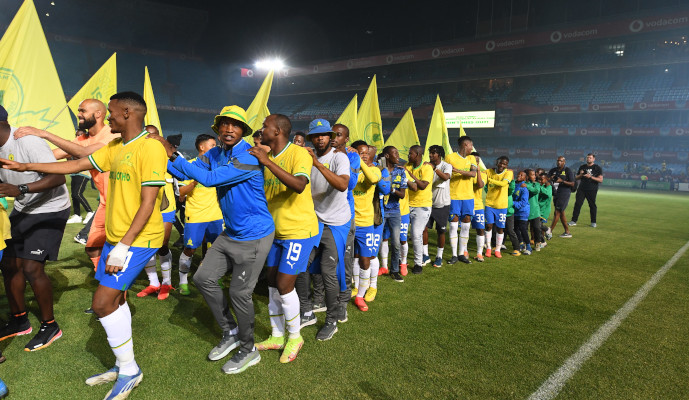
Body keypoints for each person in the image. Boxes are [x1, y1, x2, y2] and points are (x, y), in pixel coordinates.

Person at [2, 92, 168, 399]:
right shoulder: (116, 146)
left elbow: (148, 203)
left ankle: (130, 370)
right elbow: (76, 164)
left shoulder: (151, 148)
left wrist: (123, 247)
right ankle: (123, 364)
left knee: (102, 304)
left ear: (129, 113)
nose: (109, 117)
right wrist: (26, 169)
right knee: (115, 301)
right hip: (117, 237)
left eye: (113, 112)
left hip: (139, 238)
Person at [157, 105, 274, 374]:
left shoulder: (250, 155)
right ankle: (231, 332)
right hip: (231, 232)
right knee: (202, 278)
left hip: (254, 235)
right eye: (224, 124)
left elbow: (208, 180)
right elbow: (186, 172)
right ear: (217, 128)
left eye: (235, 125)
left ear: (243, 130)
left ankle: (249, 349)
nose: (229, 129)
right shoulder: (214, 153)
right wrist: (160, 155)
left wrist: (172, 152)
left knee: (239, 294)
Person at [13, 99, 118, 299]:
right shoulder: (82, 139)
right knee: (93, 248)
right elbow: (51, 156)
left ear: (98, 114)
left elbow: (83, 153)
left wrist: (43, 133)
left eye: (82, 111)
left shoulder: (112, 135)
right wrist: (15, 160)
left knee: (118, 251)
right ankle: (107, 291)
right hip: (106, 203)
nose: (78, 114)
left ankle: (115, 294)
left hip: (122, 203)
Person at [0, 105, 71, 352]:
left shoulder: (27, 141)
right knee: (8, 264)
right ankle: (19, 320)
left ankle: (50, 326)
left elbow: (58, 177)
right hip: (24, 208)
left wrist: (19, 189)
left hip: (51, 207)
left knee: (31, 267)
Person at [249, 114, 319, 363]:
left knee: (284, 284)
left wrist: (267, 162)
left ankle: (295, 336)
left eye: (265, 126)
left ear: (277, 130)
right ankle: (277, 335)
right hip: (274, 232)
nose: (261, 130)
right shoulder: (265, 157)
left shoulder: (298, 154)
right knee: (270, 282)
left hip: (298, 231)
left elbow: (299, 185)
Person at [295, 119, 350, 341]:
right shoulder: (305, 157)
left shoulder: (339, 158)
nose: (320, 139)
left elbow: (342, 185)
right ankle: (307, 311)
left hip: (336, 222)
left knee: (328, 272)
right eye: (316, 135)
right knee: (299, 265)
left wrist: (317, 164)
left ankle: (332, 320)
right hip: (314, 220)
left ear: (331, 137)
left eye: (324, 135)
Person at [176, 134, 223, 296]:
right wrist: (195, 181)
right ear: (202, 147)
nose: (215, 147)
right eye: (212, 145)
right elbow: (181, 191)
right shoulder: (190, 166)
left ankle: (212, 278)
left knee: (216, 250)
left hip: (216, 216)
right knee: (190, 249)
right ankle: (183, 282)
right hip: (196, 216)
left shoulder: (218, 166)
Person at [136, 125, 176, 300]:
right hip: (144, 204)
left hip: (166, 205)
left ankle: (166, 282)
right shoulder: (139, 153)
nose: (150, 139)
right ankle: (154, 283)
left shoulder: (168, 155)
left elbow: (180, 170)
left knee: (163, 244)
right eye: (147, 136)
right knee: (146, 245)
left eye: (154, 136)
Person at [329, 123, 360, 323]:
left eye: (339, 135)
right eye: (332, 134)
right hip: (322, 214)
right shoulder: (322, 154)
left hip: (344, 215)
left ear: (346, 139)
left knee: (344, 259)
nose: (334, 138)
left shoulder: (353, 157)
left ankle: (343, 300)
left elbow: (350, 184)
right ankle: (322, 297)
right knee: (325, 259)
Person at [349, 140, 382, 311]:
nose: (363, 155)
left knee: (365, 259)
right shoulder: (349, 168)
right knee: (353, 258)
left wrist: (357, 159)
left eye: (365, 153)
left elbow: (373, 179)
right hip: (348, 221)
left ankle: (361, 295)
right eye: (359, 152)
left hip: (365, 223)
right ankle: (355, 288)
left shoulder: (374, 169)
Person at [445, 136, 478, 264]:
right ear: (465, 145)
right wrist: (461, 172)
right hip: (454, 196)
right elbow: (448, 174)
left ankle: (461, 253)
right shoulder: (450, 157)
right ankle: (454, 255)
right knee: (453, 226)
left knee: (466, 226)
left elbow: (473, 174)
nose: (472, 148)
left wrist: (457, 171)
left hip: (468, 197)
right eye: (471, 145)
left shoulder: (472, 158)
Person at [405, 145, 433, 274]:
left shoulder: (427, 167)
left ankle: (418, 263)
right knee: (402, 235)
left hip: (422, 206)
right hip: (406, 205)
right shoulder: (407, 165)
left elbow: (421, 186)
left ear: (417, 154)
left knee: (416, 235)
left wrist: (411, 176)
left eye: (410, 154)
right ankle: (402, 261)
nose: (408, 156)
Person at [380, 146, 406, 282]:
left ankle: (394, 270)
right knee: (377, 242)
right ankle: (371, 269)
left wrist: (391, 190)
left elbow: (402, 194)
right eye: (395, 153)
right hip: (380, 210)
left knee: (395, 243)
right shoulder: (378, 170)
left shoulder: (400, 172)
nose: (398, 155)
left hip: (395, 211)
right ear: (387, 156)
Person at [423, 145, 452, 266]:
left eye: (433, 153)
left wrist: (434, 168)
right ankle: (425, 255)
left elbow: (446, 177)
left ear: (439, 154)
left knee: (441, 231)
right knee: (423, 229)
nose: (430, 155)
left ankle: (439, 256)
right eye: (430, 153)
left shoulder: (446, 166)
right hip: (427, 203)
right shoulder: (426, 166)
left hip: (442, 205)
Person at [484, 156, 513, 259]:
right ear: (497, 162)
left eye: (504, 164)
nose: (502, 165)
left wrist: (490, 180)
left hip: (502, 206)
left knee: (500, 228)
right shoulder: (488, 171)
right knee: (489, 226)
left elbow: (503, 184)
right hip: (489, 204)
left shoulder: (509, 173)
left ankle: (497, 249)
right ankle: (488, 247)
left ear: (507, 165)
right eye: (501, 163)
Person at [67, 130, 94, 224]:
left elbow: (79, 157)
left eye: (81, 135)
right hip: (74, 173)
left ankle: (90, 212)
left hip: (83, 173)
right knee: (73, 195)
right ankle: (77, 215)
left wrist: (71, 150)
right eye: (77, 135)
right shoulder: (74, 146)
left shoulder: (87, 146)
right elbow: (69, 160)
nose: (78, 136)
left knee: (77, 194)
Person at [570, 153, 603, 228]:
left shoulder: (597, 168)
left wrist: (590, 177)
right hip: (581, 188)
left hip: (592, 189)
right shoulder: (582, 167)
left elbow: (600, 180)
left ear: (594, 159)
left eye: (590, 158)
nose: (588, 159)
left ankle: (593, 222)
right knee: (578, 204)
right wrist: (581, 175)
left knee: (592, 205)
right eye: (587, 157)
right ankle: (573, 221)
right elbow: (576, 178)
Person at [548, 156, 575, 238]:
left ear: (564, 162)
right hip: (555, 193)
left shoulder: (568, 170)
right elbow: (546, 179)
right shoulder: (553, 170)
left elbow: (572, 183)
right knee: (561, 212)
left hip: (564, 193)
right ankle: (567, 232)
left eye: (561, 161)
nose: (559, 162)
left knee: (557, 212)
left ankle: (549, 231)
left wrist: (562, 181)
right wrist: (550, 178)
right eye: (558, 161)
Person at [469, 152, 486, 262]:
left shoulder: (483, 174)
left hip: (478, 205)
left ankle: (479, 253)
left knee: (480, 229)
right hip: (465, 204)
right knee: (463, 229)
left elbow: (480, 185)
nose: (476, 163)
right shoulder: (466, 173)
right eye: (474, 161)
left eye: (478, 161)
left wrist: (478, 170)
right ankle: (464, 251)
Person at [512, 171, 531, 255]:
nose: (519, 176)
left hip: (523, 211)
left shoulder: (524, 187)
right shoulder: (514, 185)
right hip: (515, 211)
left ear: (525, 178)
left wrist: (511, 203)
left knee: (523, 228)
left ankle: (529, 247)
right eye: (518, 174)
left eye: (521, 175)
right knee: (515, 228)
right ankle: (521, 244)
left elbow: (523, 202)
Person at [525, 169, 542, 251]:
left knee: (536, 228)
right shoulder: (523, 184)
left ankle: (537, 243)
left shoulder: (537, 184)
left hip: (535, 210)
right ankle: (524, 243)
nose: (534, 176)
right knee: (524, 229)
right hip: (525, 210)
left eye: (534, 174)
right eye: (532, 175)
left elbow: (536, 191)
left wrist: (527, 186)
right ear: (527, 176)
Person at [538, 172, 553, 244]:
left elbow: (548, 194)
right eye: (539, 180)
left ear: (547, 179)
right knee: (536, 226)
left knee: (537, 226)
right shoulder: (542, 186)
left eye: (542, 179)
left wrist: (540, 187)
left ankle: (547, 229)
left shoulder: (549, 187)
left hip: (544, 210)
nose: (540, 181)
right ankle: (543, 241)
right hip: (538, 209)